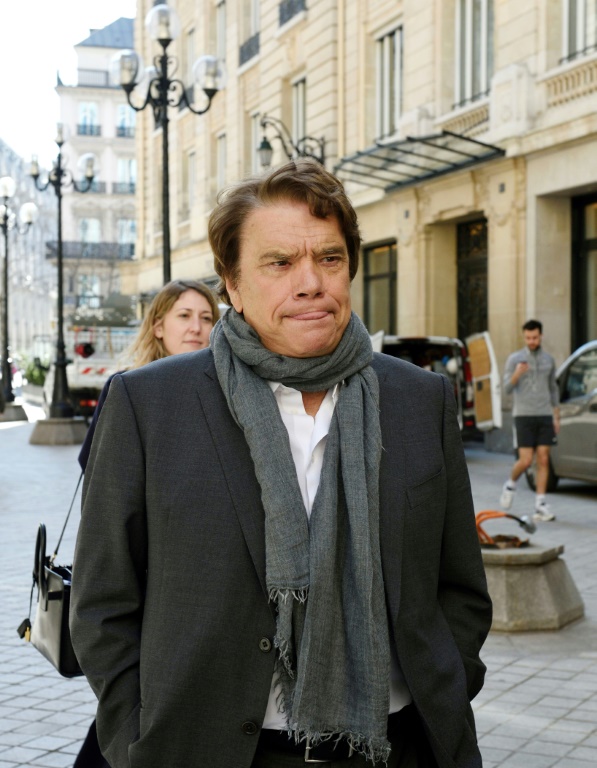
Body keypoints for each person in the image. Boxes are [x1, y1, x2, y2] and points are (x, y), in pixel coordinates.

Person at [71, 159, 492, 768]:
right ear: (233, 286)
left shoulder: (419, 399)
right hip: (213, 751)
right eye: (279, 262)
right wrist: (135, 737)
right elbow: (102, 600)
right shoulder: (148, 404)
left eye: (329, 258)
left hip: (396, 746)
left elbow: (460, 586)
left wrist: (451, 681)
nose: (311, 282)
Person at [73, 279, 219, 768]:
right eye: (184, 316)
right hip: (144, 574)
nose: (196, 327)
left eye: (206, 317)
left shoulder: (226, 390)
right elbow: (99, 481)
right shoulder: (130, 388)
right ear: (158, 326)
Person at [500, 319, 560, 522]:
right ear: (524, 337)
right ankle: (510, 484)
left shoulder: (549, 360)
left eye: (534, 337)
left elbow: (553, 389)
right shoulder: (514, 359)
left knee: (543, 459)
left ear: (540, 336)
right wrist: (517, 374)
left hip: (544, 414)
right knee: (526, 460)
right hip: (523, 415)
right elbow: (507, 388)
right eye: (528, 338)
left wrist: (556, 416)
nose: (531, 341)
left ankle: (540, 505)